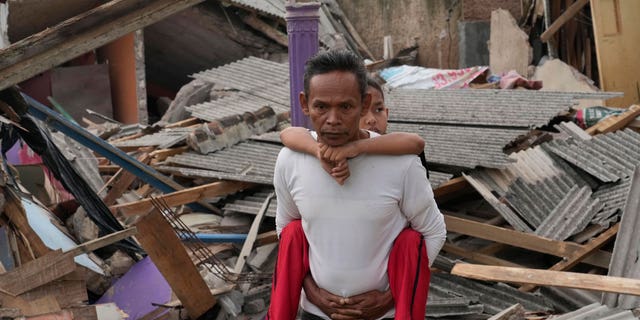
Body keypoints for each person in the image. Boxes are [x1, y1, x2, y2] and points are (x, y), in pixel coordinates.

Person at [269, 50, 446, 320]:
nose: (333, 119)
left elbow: (433, 232)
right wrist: (312, 292)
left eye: (345, 107)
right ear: (305, 104)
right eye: (321, 107)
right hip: (315, 313)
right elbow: (287, 229)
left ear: (364, 105)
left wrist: (390, 297)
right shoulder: (291, 160)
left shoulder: (401, 164)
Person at [279, 76, 425, 185]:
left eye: (378, 109)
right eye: (346, 107)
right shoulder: (315, 148)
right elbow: (287, 133)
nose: (371, 119)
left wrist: (354, 148)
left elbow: (417, 143)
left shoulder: (399, 155)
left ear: (387, 112)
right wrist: (319, 152)